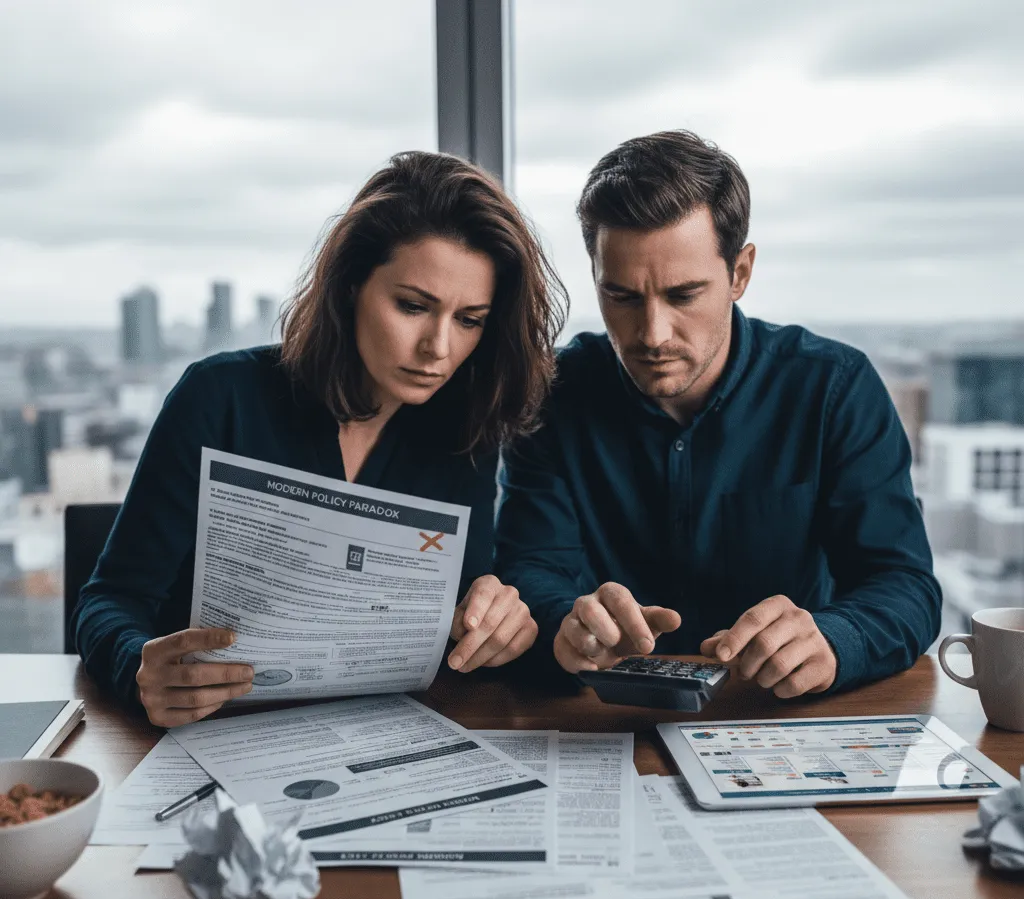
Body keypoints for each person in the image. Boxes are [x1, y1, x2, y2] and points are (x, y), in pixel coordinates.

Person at [74, 151, 567, 726]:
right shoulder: (219, 397)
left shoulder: (466, 431)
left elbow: (455, 626)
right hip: (206, 738)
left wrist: (498, 626)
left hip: (376, 741)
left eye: (469, 319)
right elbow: (107, 601)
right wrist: (138, 667)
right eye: (412, 306)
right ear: (352, 284)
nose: (439, 348)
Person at [495, 130, 941, 697]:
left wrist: (834, 639)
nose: (652, 335)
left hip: (781, 718)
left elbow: (904, 584)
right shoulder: (552, 395)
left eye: (683, 296)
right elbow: (529, 570)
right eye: (623, 297)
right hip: (603, 714)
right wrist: (566, 624)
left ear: (740, 274)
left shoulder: (834, 388)